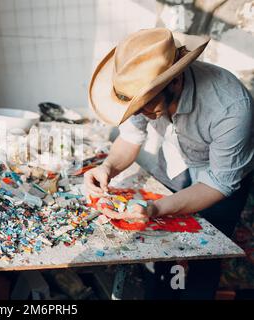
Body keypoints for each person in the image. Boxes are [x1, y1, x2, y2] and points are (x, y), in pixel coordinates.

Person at [86, 28, 254, 299]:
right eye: (135, 107)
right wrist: (108, 166)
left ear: (175, 80)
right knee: (160, 247)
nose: (140, 114)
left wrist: (155, 208)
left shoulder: (232, 107)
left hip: (220, 179)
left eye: (146, 105)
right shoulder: (143, 91)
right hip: (177, 163)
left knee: (202, 254)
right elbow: (130, 138)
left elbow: (218, 183)